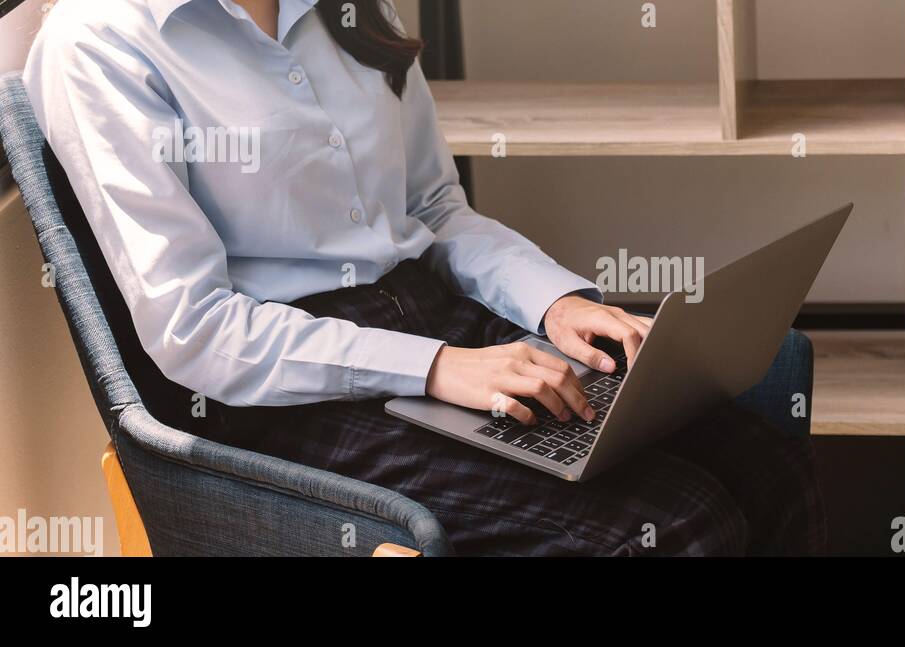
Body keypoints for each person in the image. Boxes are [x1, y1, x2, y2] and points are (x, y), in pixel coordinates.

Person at [24, 0, 825, 555]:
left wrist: (557, 303)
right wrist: (440, 369)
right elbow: (195, 330)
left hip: (437, 322)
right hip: (292, 396)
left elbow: (435, 207)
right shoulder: (99, 43)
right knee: (679, 524)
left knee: (758, 461)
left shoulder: (351, 10)